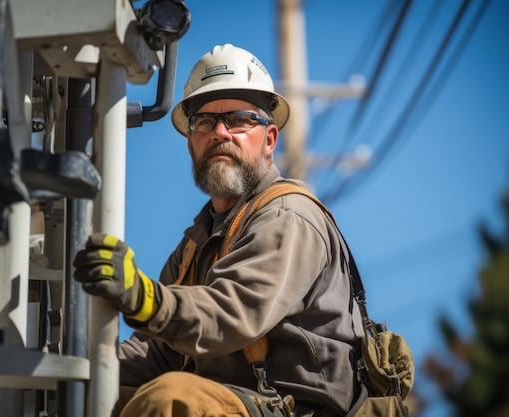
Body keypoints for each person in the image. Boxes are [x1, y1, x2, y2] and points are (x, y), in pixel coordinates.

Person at [73, 44, 360, 417]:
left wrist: (144, 297)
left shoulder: (288, 215)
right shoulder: (197, 243)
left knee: (171, 401)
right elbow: (159, 351)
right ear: (191, 144)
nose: (220, 132)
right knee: (87, 395)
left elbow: (231, 311)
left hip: (298, 409)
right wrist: (75, 367)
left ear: (269, 140)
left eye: (239, 119)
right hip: (235, 401)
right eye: (205, 122)